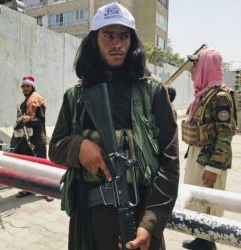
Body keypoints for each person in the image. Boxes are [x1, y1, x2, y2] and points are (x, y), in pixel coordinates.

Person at [49, 2, 179, 250]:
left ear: (132, 41)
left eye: (124, 35)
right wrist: (78, 147)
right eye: (108, 35)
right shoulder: (76, 97)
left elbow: (169, 162)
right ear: (94, 40)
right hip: (89, 223)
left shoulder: (152, 92)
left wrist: (149, 224)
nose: (117, 43)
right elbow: (55, 146)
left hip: (139, 220)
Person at [181, 47, 237, 250]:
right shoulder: (205, 94)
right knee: (198, 199)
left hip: (210, 159)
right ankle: (200, 238)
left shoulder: (220, 96)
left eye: (195, 65)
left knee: (208, 200)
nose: (192, 69)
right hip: (198, 154)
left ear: (206, 66)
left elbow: (225, 134)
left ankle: (207, 242)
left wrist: (213, 167)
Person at [10, 76, 53, 202]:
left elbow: (41, 120)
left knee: (42, 164)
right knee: (27, 165)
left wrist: (30, 119)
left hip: (37, 138)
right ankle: (28, 189)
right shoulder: (24, 103)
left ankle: (48, 190)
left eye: (27, 86)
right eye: (23, 87)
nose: (25, 89)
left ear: (32, 86)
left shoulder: (36, 100)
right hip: (26, 138)